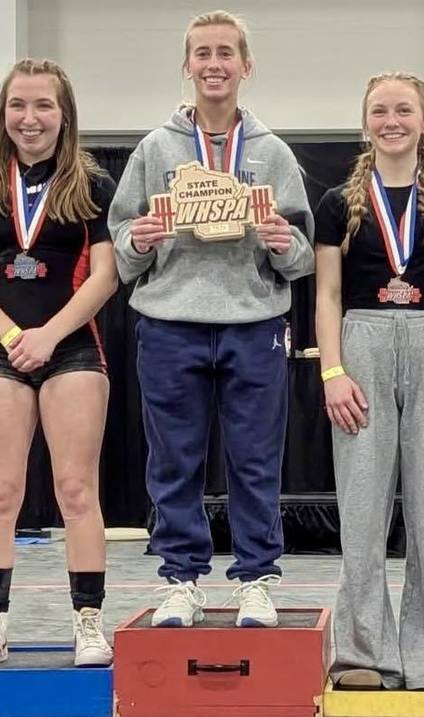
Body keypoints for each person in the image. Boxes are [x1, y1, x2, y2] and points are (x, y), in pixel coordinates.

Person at [109, 10, 314, 628]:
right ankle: (181, 578)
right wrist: (140, 240)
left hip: (254, 323)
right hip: (170, 323)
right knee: (174, 459)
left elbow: (304, 256)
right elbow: (120, 240)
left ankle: (256, 577)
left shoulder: (273, 154)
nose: (214, 63)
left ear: (246, 66)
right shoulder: (155, 149)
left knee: (255, 459)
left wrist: (283, 243)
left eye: (226, 53)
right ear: (187, 65)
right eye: (203, 53)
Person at [0, 58, 119, 668]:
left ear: (64, 114)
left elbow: (105, 276)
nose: (30, 117)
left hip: (71, 346)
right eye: (18, 105)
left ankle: (89, 623)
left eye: (43, 105)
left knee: (76, 489)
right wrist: (17, 334)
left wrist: (49, 335)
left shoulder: (92, 186)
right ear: (3, 114)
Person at [314, 72, 424, 690]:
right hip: (361, 344)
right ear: (366, 121)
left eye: (404, 110)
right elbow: (327, 295)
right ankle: (363, 652)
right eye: (380, 110)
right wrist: (333, 370)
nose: (392, 120)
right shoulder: (337, 203)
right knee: (361, 510)